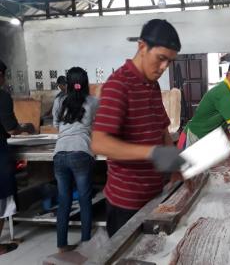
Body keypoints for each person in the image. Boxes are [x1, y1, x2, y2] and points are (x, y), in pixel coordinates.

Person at [91, 19, 185, 237]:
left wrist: (175, 168)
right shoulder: (118, 85)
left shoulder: (151, 85)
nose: (164, 67)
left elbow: (162, 131)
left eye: (169, 62)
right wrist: (151, 152)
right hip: (127, 203)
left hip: (154, 194)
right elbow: (99, 142)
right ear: (142, 47)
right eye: (161, 58)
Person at [52, 67, 98, 252]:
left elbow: (56, 124)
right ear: (86, 83)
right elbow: (100, 123)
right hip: (81, 152)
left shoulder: (59, 101)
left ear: (67, 83)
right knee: (85, 198)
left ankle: (62, 245)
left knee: (64, 200)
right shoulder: (93, 101)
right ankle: (86, 241)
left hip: (59, 153)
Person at [0, 60, 34, 255]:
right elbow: (11, 128)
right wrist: (25, 128)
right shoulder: (2, 96)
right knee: (2, 197)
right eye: (4, 76)